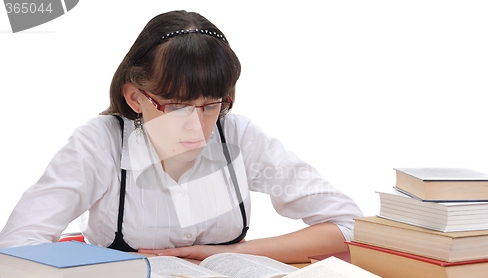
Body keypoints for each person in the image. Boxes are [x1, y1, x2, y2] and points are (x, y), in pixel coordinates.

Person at [0, 10, 362, 263]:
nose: (196, 125)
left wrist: (229, 254)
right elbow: (17, 244)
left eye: (210, 105)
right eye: (177, 107)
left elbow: (348, 225)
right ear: (135, 98)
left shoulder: (238, 134)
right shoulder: (99, 142)